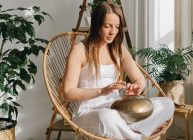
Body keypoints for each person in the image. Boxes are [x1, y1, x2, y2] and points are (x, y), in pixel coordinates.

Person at [62, 1, 174, 139]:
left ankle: (128, 131)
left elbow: (139, 79)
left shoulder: (118, 49)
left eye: (116, 27)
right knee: (107, 117)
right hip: (91, 113)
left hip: (117, 109)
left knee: (166, 104)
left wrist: (135, 89)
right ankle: (138, 136)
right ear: (96, 25)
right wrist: (101, 91)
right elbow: (67, 92)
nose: (113, 32)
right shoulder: (80, 50)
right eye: (107, 26)